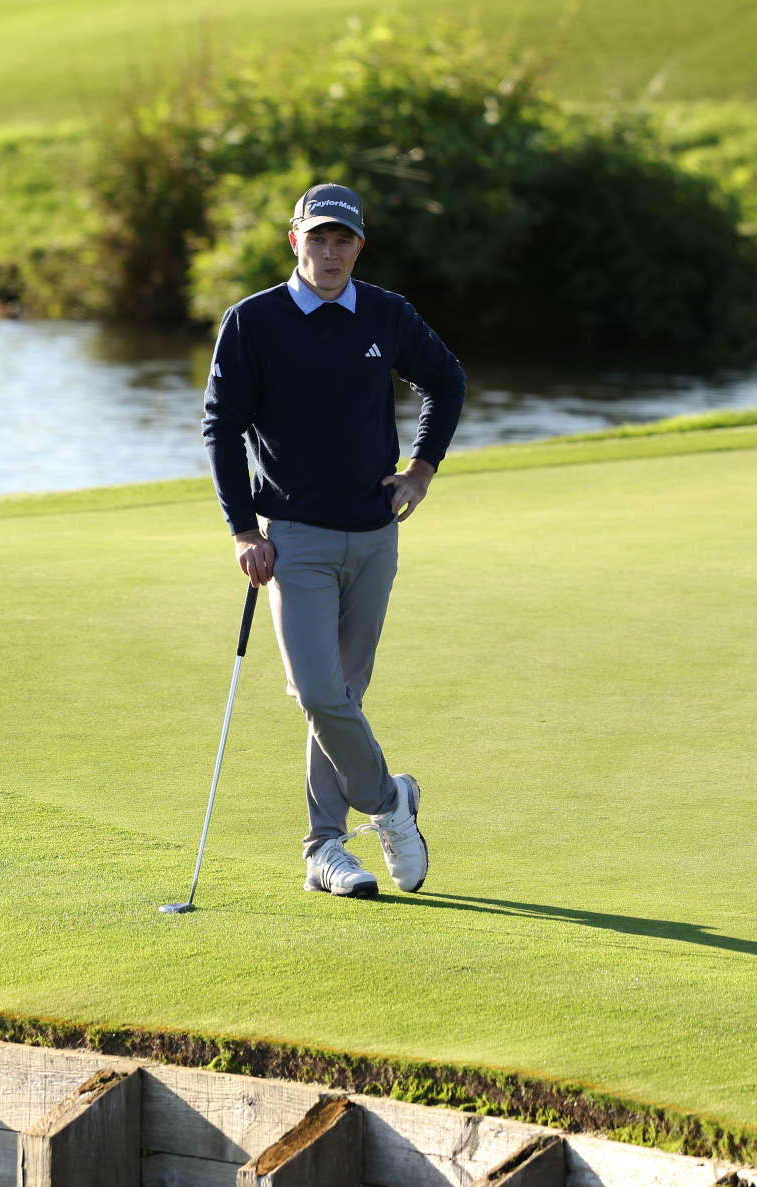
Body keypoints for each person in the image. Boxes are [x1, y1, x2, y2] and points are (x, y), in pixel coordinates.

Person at [200, 182, 465, 899]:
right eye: (317, 238)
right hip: (296, 540)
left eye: (342, 240)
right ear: (295, 242)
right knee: (319, 693)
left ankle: (324, 850)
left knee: (342, 697)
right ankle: (390, 804)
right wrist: (242, 530)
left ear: (358, 247)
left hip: (376, 536)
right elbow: (222, 429)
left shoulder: (386, 313)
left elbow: (445, 381)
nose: (329, 252)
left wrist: (421, 470)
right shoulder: (252, 321)